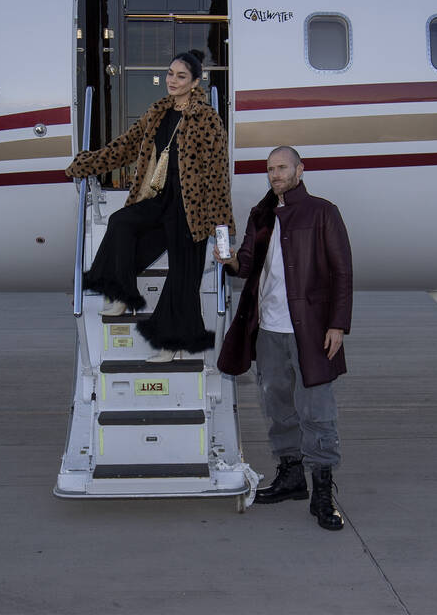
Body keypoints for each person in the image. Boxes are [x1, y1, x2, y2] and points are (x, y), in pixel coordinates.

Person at [216, 146, 352, 530]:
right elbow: (246, 264)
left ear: (299, 170)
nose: (276, 175)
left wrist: (337, 324)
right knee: (276, 407)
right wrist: (229, 261)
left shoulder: (322, 212)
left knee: (317, 411)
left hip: (311, 331)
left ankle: (322, 492)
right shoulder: (261, 214)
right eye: (270, 170)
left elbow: (343, 272)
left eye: (282, 168)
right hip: (269, 330)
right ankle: (291, 475)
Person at [66, 50, 233, 362]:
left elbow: (219, 179)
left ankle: (173, 345)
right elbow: (125, 147)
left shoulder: (208, 120)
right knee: (121, 222)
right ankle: (120, 293)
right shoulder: (157, 112)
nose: (172, 80)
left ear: (195, 82)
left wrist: (222, 238)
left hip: (191, 210)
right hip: (159, 199)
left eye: (181, 76)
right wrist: (87, 163)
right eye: (170, 73)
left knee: (183, 277)